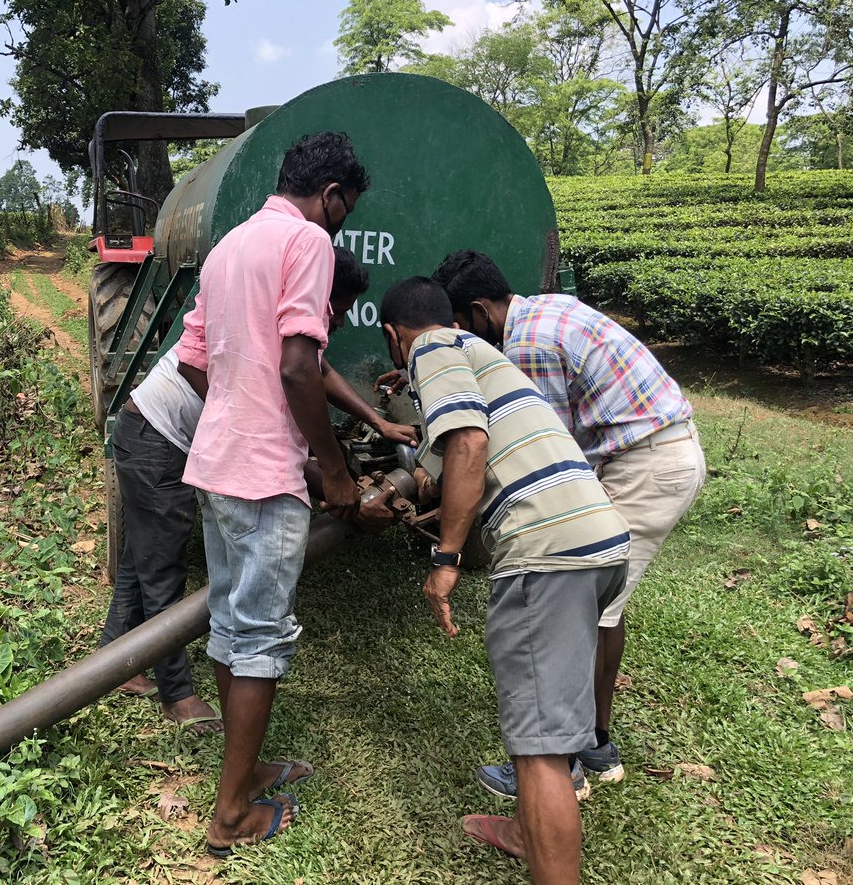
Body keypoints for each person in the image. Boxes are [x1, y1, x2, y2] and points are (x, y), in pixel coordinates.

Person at [101, 246, 415, 736]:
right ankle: (176, 695)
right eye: (341, 308)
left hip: (145, 429)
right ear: (321, 295)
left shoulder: (288, 328)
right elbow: (273, 439)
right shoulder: (282, 333)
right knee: (161, 566)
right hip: (155, 437)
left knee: (144, 555)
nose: (343, 321)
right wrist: (342, 490)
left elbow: (322, 372)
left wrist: (373, 419)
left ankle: (119, 660)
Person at [379, 275, 629, 884]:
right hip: (597, 537)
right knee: (550, 720)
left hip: (545, 551)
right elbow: (472, 461)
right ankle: (523, 832)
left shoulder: (430, 349)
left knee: (539, 750)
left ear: (393, 336)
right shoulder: (482, 352)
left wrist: (446, 559)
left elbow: (467, 443)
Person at [430, 250, 706, 794]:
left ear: (481, 311)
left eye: (463, 327)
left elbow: (549, 452)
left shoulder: (529, 345)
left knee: (575, 608)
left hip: (645, 467)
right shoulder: (546, 309)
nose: (463, 339)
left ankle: (567, 764)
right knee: (600, 607)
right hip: (654, 455)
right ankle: (595, 746)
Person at [176, 132, 375, 857]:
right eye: (344, 208)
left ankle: (247, 769)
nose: (341, 220)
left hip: (216, 463)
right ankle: (230, 815)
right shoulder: (309, 243)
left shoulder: (230, 246)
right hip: (264, 477)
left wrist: (237, 402)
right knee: (258, 637)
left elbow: (196, 361)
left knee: (231, 626)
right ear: (330, 196)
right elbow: (299, 365)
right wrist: (335, 469)